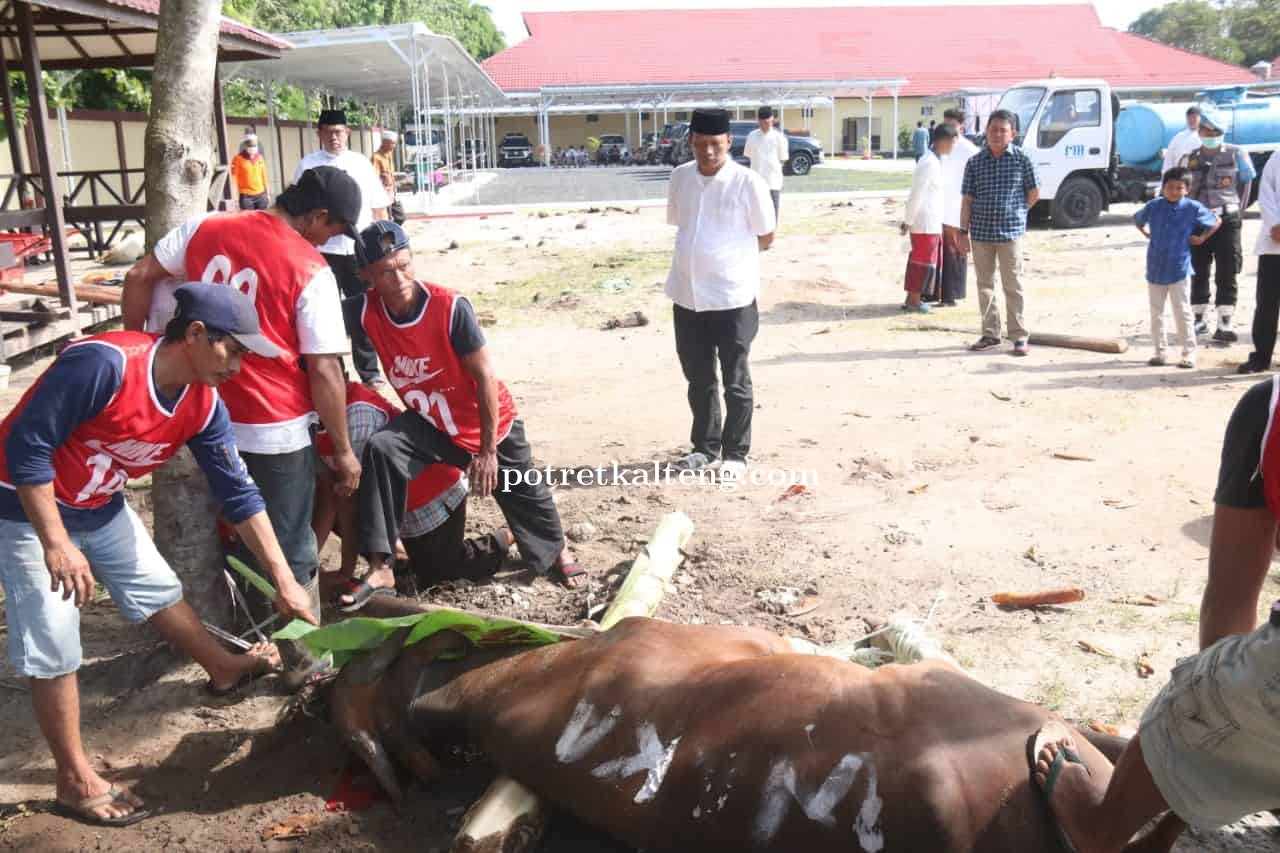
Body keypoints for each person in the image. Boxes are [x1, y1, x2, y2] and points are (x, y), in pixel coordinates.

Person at [0, 283, 317, 828]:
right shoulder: (104, 365)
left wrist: (284, 580)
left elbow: (238, 493)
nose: (240, 365)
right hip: (24, 506)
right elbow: (24, 445)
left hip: (98, 503)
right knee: (54, 639)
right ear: (194, 334)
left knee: (156, 588)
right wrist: (56, 543)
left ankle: (221, 667)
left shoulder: (202, 404)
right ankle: (74, 780)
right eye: (233, 349)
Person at [120, 167, 363, 676]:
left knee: (227, 535)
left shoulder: (205, 228)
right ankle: (305, 663)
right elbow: (324, 368)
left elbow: (138, 276)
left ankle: (248, 639)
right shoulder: (309, 267)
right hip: (271, 426)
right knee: (289, 546)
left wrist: (138, 350)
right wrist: (341, 449)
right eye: (335, 228)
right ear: (317, 216)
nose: (333, 239)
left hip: (196, 411)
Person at [1028, 376, 1280, 852]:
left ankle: (1099, 825)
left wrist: (1207, 738)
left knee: (1191, 699)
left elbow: (1230, 601)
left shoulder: (1270, 410)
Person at [345, 220, 587, 609]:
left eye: (405, 265)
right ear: (367, 276)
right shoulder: (363, 312)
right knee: (383, 447)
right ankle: (381, 562)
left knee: (524, 491)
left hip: (484, 421)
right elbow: (315, 325)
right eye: (387, 271)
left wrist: (487, 451)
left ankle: (555, 550)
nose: (400, 277)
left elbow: (485, 376)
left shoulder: (449, 307)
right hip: (432, 423)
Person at [313, 380, 513, 605]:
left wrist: (347, 571)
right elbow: (333, 498)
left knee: (442, 572)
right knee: (334, 496)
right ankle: (396, 553)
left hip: (429, 497)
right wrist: (316, 571)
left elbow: (354, 503)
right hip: (389, 505)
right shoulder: (309, 422)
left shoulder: (358, 420)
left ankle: (507, 535)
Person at [664, 108, 776, 479]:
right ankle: (704, 447)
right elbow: (681, 223)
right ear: (691, 143)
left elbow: (766, 236)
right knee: (698, 377)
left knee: (735, 379)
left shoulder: (748, 182)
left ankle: (735, 454)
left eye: (715, 144)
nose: (708, 152)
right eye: (701, 144)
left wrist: (728, 263)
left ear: (729, 141)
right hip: (687, 295)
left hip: (732, 298)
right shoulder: (680, 177)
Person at [295, 108, 390, 387]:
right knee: (324, 312)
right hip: (321, 251)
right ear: (319, 133)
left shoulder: (361, 163)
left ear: (347, 133)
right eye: (328, 132)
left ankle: (370, 372)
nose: (334, 137)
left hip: (357, 248)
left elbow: (378, 206)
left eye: (339, 132)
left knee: (362, 310)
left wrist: (380, 246)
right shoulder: (308, 165)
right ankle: (335, 372)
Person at [958, 108, 1040, 356]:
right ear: (986, 132)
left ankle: (1018, 336)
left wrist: (1016, 212)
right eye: (993, 129)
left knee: (1013, 285)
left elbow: (1033, 194)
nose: (997, 134)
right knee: (985, 285)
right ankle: (990, 333)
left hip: (1010, 234)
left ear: (1012, 134)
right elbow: (967, 200)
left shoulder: (1022, 160)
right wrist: (963, 232)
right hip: (981, 233)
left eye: (1002, 130)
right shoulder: (974, 162)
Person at [1177, 107, 1255, 343]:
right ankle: (1199, 320)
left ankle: (1225, 323)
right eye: (1206, 130)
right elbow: (1180, 189)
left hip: (1227, 218)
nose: (1210, 133)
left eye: (1215, 130)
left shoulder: (1236, 153)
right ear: (1199, 131)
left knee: (1228, 270)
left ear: (1223, 132)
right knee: (1198, 269)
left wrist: (1237, 211)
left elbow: (1247, 183)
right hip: (1198, 220)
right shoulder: (1188, 158)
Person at [1134, 168, 1219, 369]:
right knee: (1156, 313)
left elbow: (1216, 220)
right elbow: (1137, 219)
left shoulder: (1192, 207)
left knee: (1182, 312)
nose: (1173, 191)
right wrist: (1146, 234)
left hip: (1180, 268)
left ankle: (1189, 353)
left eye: (1179, 188)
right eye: (1169, 187)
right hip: (1155, 266)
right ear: (1162, 188)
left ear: (1187, 189)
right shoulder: (1154, 206)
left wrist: (1202, 237)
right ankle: (1159, 352)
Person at [900, 124, 957, 313]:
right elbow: (916, 193)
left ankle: (911, 297)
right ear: (944, 141)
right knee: (922, 262)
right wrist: (908, 220)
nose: (953, 147)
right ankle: (915, 300)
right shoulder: (928, 163)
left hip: (929, 221)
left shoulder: (934, 160)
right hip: (924, 222)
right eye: (953, 143)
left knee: (921, 260)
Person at [1240, 152, 1280, 374]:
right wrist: (1275, 224)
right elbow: (1266, 193)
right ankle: (1261, 357)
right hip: (1274, 243)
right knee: (1267, 303)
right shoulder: (1278, 157)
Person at [939, 107, 979, 307]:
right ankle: (941, 292)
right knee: (944, 252)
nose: (950, 128)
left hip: (958, 207)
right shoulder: (939, 145)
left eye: (953, 125)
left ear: (961, 126)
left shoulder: (969, 149)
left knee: (956, 251)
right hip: (941, 205)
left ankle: (952, 294)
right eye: (947, 124)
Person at [744, 106, 788, 220]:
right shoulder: (751, 136)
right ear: (758, 120)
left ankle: (772, 235)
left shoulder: (779, 138)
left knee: (773, 211)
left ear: (772, 119)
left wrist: (776, 174)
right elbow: (748, 156)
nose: (765, 124)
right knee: (756, 211)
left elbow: (783, 159)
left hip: (773, 180)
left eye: (767, 122)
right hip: (756, 179)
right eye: (762, 122)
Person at [371, 129, 404, 225]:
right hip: (384, 194)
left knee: (400, 216)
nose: (394, 146)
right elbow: (374, 178)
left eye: (394, 144)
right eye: (392, 144)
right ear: (384, 143)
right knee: (387, 220)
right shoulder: (376, 157)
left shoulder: (388, 155)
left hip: (392, 192)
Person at [230, 133, 269, 211]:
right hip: (246, 197)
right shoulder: (238, 159)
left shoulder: (260, 158)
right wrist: (235, 197)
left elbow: (264, 176)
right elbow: (234, 178)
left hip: (261, 195)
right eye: (250, 145)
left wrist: (267, 193)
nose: (252, 148)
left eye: (254, 145)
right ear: (245, 146)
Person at [1161, 105, 1202, 176]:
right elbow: (1169, 158)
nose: (1191, 120)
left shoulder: (1206, 136)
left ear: (1201, 118)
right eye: (1189, 118)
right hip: (1180, 176)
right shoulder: (1178, 137)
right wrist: (1165, 175)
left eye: (1194, 117)